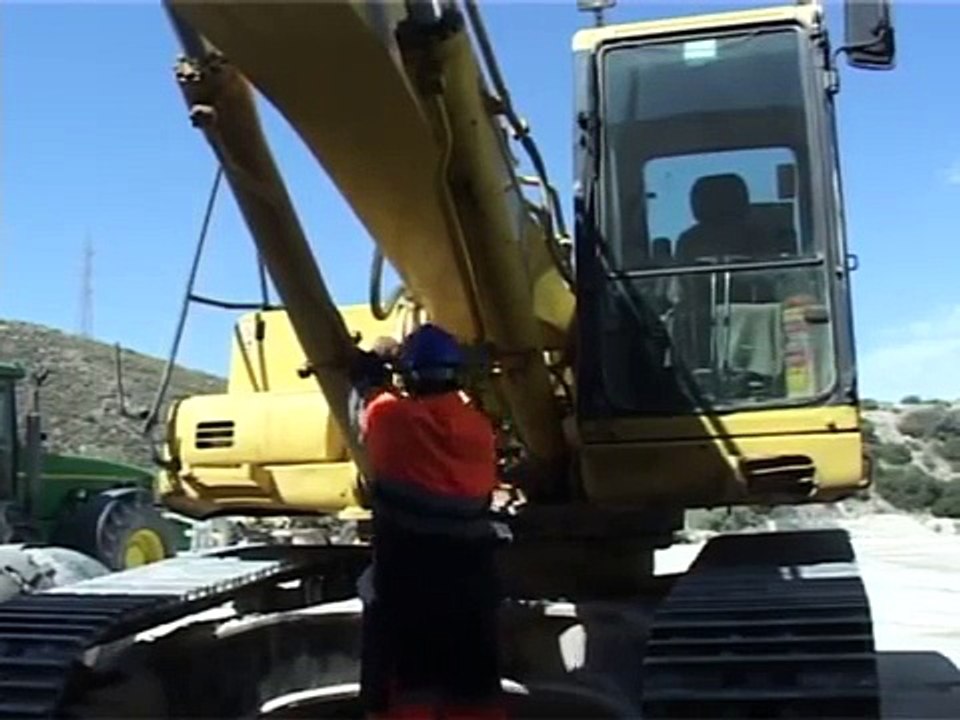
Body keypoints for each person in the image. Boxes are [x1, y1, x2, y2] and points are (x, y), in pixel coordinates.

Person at [348, 324, 507, 720]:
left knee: (404, 688)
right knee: (472, 689)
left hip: (408, 580)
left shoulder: (391, 418)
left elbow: (367, 404)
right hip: (471, 580)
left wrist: (369, 374)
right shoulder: (479, 428)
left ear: (411, 375)